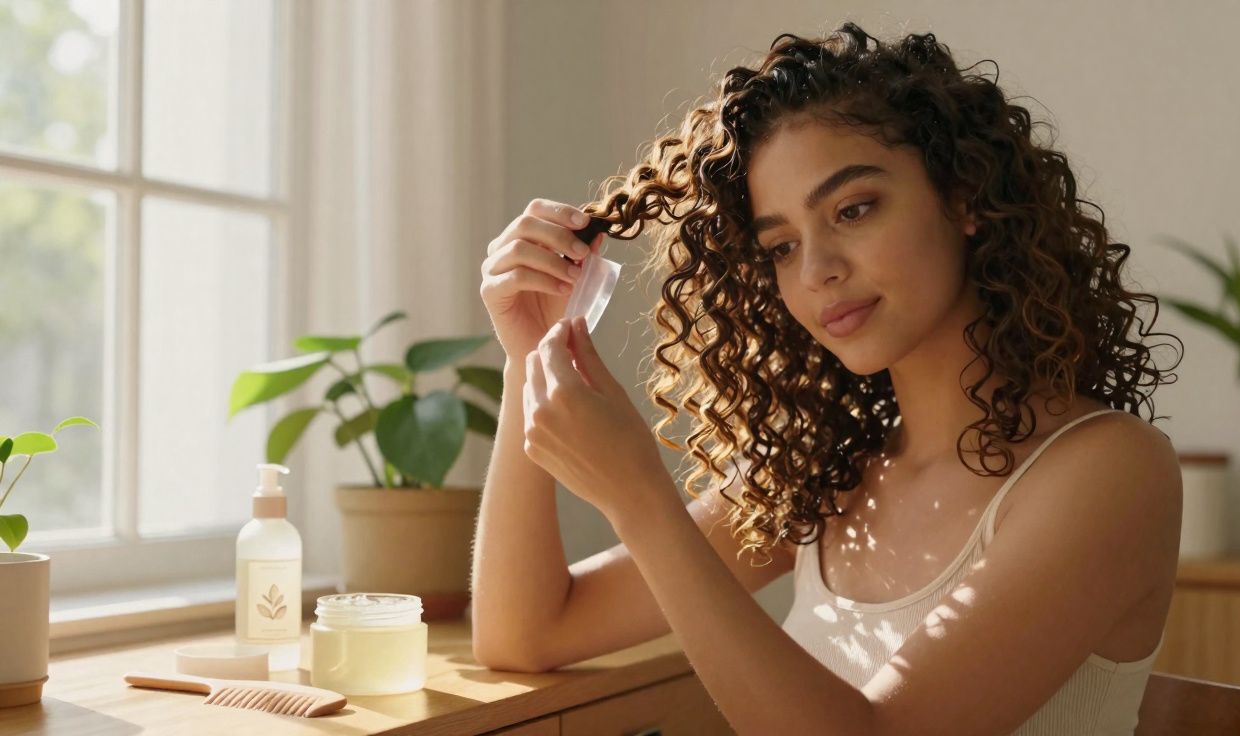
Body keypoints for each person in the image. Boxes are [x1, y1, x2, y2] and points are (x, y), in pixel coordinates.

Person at [473, 22, 1184, 735]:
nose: (816, 272)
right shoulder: (828, 470)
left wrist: (641, 499)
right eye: (780, 246)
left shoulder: (1111, 471)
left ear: (964, 197)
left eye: (854, 210)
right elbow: (525, 633)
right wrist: (528, 354)